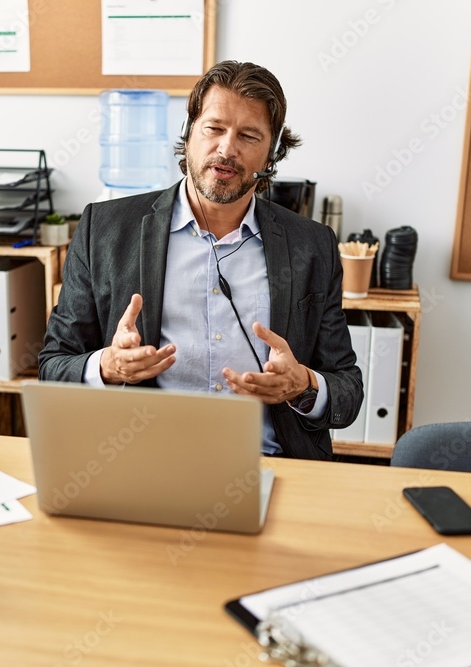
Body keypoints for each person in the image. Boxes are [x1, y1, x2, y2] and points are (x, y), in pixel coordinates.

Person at [39, 60, 362, 460]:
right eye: (214, 128)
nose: (227, 149)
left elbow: (348, 389)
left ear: (273, 153)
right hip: (142, 460)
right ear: (188, 131)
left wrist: (303, 385)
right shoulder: (103, 229)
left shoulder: (312, 245)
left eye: (249, 135)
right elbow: (53, 367)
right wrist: (108, 366)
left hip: (266, 461)